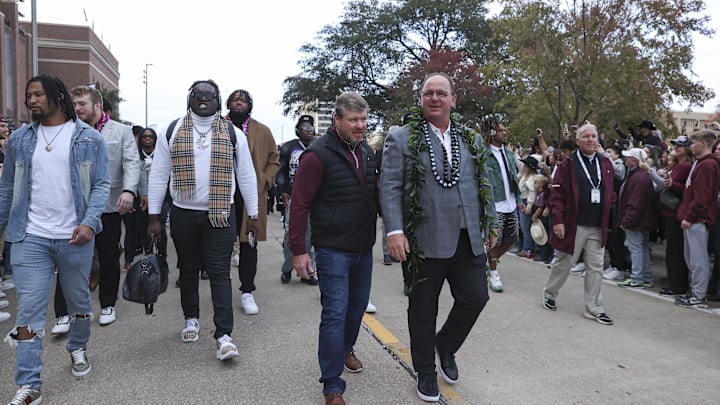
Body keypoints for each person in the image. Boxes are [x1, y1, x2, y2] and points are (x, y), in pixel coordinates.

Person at [381, 73, 497, 402]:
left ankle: (445, 345)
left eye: (441, 93)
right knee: (422, 310)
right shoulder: (401, 138)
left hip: (467, 238)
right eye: (428, 93)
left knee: (476, 298)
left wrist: (490, 224)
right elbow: (389, 187)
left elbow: (483, 183)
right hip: (423, 241)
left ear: (452, 100)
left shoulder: (471, 139)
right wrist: (394, 230)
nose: (434, 98)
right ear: (421, 100)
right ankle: (426, 372)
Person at [2, 74, 110, 405]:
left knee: (78, 302)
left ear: (57, 97)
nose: (30, 100)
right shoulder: (19, 140)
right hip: (29, 236)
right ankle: (29, 384)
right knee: (29, 311)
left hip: (74, 237)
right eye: (28, 95)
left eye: (37, 95)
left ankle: (78, 347)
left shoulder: (89, 139)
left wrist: (90, 224)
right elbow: (7, 189)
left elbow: (102, 185)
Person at [147, 79, 258, 361]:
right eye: (198, 95)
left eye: (210, 96)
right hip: (183, 213)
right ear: (190, 99)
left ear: (219, 100)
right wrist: (154, 216)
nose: (204, 100)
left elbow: (245, 175)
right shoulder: (170, 131)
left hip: (221, 214)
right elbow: (159, 175)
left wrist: (253, 214)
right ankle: (191, 319)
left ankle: (224, 335)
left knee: (220, 272)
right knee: (188, 270)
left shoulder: (234, 133)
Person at [290, 92, 377, 405]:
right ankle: (332, 384)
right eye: (353, 120)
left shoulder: (365, 152)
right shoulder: (316, 155)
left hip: (363, 248)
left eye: (363, 120)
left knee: (357, 308)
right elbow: (299, 205)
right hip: (332, 250)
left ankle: (345, 349)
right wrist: (299, 250)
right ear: (337, 120)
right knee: (335, 313)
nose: (360, 125)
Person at [49, 85, 141, 329]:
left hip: (109, 206)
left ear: (98, 105)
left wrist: (129, 191)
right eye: (75, 104)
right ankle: (63, 313)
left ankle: (108, 304)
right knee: (68, 257)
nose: (77, 108)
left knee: (109, 257)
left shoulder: (120, 132)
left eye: (82, 104)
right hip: (73, 206)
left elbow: (132, 163)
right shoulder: (67, 131)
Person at [542, 123, 615, 326]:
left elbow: (610, 191)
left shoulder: (605, 164)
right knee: (564, 263)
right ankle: (550, 293)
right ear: (578, 141)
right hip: (574, 224)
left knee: (596, 266)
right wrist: (558, 220)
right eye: (586, 136)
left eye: (594, 136)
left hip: (597, 225)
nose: (591, 140)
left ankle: (594, 307)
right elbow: (557, 195)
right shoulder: (568, 164)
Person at [225, 89, 280, 315]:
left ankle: (247, 290)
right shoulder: (216, 125)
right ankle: (222, 289)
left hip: (251, 197)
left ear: (250, 105)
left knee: (249, 244)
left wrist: (265, 180)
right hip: (222, 194)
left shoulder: (262, 130)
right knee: (220, 244)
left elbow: (274, 160)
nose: (239, 103)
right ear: (228, 103)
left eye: (244, 100)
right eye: (235, 100)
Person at [675, 129, 720, 307]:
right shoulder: (702, 163)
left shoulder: (708, 165)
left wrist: (690, 216)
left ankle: (698, 295)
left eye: (694, 142)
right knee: (691, 259)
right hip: (693, 218)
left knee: (698, 259)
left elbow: (703, 196)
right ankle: (695, 291)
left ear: (703, 143)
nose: (691, 146)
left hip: (698, 220)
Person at [277, 115, 318, 285]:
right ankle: (287, 268)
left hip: (315, 198)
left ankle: (307, 272)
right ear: (297, 130)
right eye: (304, 127)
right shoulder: (288, 147)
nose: (308, 130)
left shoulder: (319, 145)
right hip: (294, 196)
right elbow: (281, 171)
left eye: (310, 127)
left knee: (311, 236)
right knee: (292, 234)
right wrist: (283, 191)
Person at [484, 118, 522, 292]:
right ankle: (493, 272)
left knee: (512, 238)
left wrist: (519, 199)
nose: (505, 132)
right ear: (491, 133)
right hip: (495, 205)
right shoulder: (484, 153)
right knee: (494, 241)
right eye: (501, 130)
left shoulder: (507, 153)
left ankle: (488, 261)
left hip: (511, 203)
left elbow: (513, 176)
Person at [616, 148, 658, 288]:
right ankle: (645, 276)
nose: (626, 159)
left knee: (636, 248)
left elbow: (635, 203)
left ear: (634, 160)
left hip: (636, 221)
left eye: (628, 157)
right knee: (642, 247)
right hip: (643, 220)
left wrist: (626, 220)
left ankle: (637, 278)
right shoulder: (641, 176)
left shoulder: (638, 178)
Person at [657, 136, 692, 296]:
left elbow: (686, 190)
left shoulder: (686, 166)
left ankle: (677, 285)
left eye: (680, 145)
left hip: (675, 212)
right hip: (668, 211)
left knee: (675, 250)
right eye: (675, 145)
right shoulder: (677, 166)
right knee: (672, 249)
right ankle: (675, 281)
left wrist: (672, 184)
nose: (676, 147)